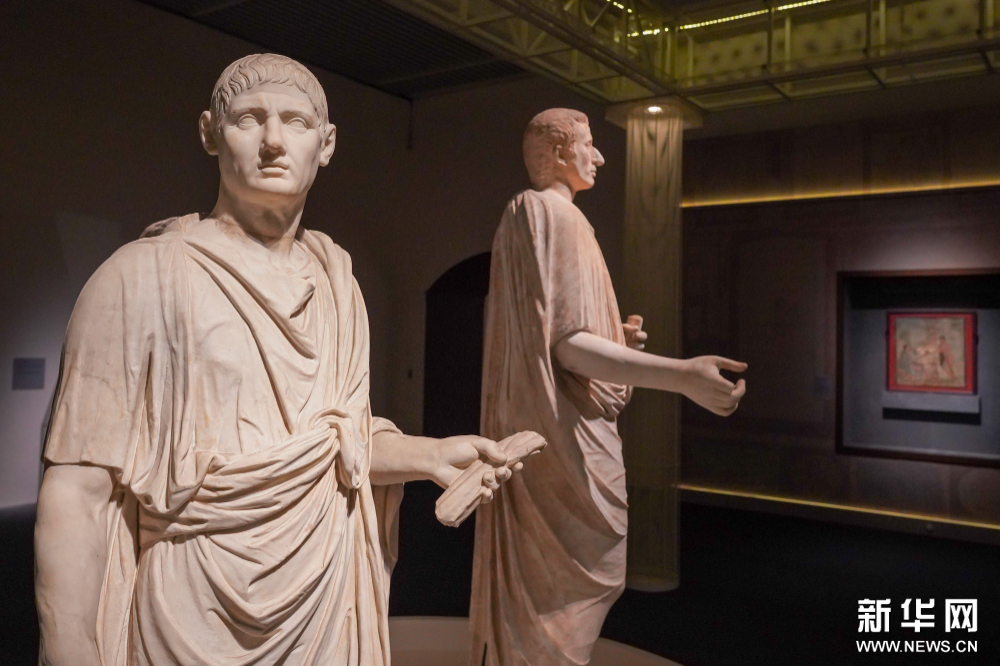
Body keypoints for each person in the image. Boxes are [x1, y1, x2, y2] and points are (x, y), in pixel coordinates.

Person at [34, 54, 519, 666]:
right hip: (193, 608)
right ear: (210, 133)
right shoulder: (140, 278)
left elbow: (335, 447)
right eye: (248, 119)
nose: (272, 141)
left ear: (326, 143)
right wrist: (69, 646)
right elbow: (78, 491)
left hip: (325, 597)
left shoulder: (337, 283)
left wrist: (429, 455)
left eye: (295, 121)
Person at [470, 108, 747, 666]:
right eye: (588, 144)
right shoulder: (556, 216)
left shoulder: (529, 214)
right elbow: (567, 347)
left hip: (551, 425)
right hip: (564, 439)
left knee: (558, 589)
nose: (597, 156)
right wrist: (682, 376)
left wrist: (614, 339)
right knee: (571, 590)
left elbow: (549, 336)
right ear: (559, 152)